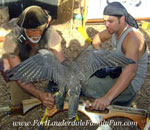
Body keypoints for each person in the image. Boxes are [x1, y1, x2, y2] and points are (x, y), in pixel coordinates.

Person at [82, 2, 148, 110]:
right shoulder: (114, 29)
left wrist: (107, 98)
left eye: (110, 21)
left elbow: (131, 72)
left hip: (129, 84)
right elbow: (97, 38)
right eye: (105, 21)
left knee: (86, 85)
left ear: (122, 19)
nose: (106, 25)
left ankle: (120, 99)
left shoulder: (132, 38)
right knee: (89, 51)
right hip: (117, 70)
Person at [1, 5, 65, 109]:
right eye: (32, 30)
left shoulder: (51, 34)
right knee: (20, 102)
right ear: (24, 28)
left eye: (39, 29)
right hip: (20, 61)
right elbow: (19, 74)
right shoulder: (12, 40)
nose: (36, 34)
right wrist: (39, 94)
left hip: (37, 56)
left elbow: (62, 63)